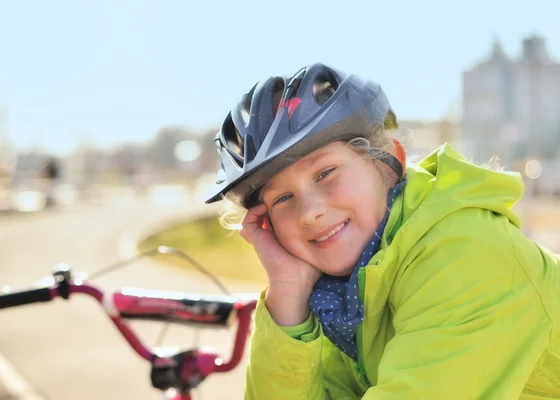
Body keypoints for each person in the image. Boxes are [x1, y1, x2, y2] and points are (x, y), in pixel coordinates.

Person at [205, 63, 560, 399]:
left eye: (325, 173)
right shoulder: (338, 296)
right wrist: (287, 295)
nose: (310, 213)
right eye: (283, 197)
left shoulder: (468, 258)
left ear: (389, 163)